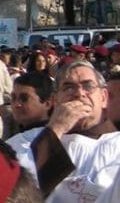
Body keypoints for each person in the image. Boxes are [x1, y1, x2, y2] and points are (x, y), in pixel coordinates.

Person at [27, 60, 116, 197]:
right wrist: (56, 128)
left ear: (103, 98)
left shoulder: (115, 143)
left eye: (88, 86)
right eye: (69, 87)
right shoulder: (28, 140)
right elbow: (26, 188)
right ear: (56, 100)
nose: (79, 93)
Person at [4, 72, 54, 183]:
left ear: (47, 103)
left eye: (24, 98)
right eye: (13, 98)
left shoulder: (57, 140)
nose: (16, 104)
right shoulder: (18, 137)